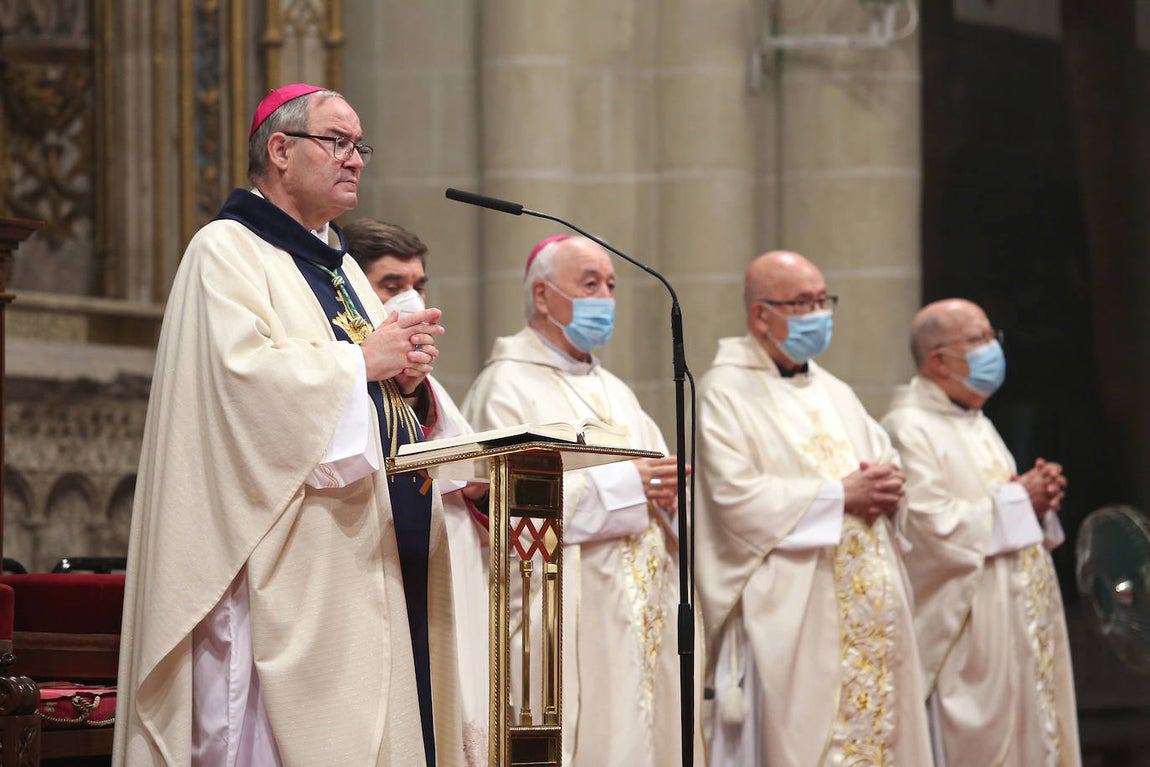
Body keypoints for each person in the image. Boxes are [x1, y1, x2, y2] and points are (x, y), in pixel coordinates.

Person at [114, 84, 460, 767]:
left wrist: (406, 384)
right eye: (336, 142)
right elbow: (239, 392)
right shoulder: (226, 251)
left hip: (360, 559)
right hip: (278, 564)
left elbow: (365, 390)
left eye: (359, 145)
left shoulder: (342, 272)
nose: (355, 159)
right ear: (279, 149)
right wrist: (361, 361)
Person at [460, 234, 699, 766]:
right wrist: (628, 487)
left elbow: (656, 479)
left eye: (611, 286)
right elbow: (505, 504)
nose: (606, 298)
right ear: (543, 297)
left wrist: (671, 493)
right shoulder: (505, 386)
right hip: (567, 622)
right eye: (590, 284)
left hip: (640, 617)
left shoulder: (616, 390)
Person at [695, 250, 933, 766]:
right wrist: (840, 495)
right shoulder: (723, 393)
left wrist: (890, 484)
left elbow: (883, 461)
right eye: (803, 302)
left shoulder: (835, 391)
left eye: (824, 300)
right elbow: (734, 500)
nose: (819, 313)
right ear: (760, 315)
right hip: (794, 619)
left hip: (869, 616)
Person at [880, 298, 1080, 766]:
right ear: (938, 360)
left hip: (1019, 627)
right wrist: (1017, 500)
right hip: (971, 637)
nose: (992, 349)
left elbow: (1001, 509)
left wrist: (1039, 502)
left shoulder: (977, 422)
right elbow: (929, 528)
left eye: (993, 337)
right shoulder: (908, 427)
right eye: (978, 340)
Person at [343, 217, 490, 766]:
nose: (411, 299)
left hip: (439, 589)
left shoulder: (431, 387)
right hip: (372, 582)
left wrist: (479, 483)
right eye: (391, 286)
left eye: (418, 285)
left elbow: (463, 469)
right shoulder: (346, 376)